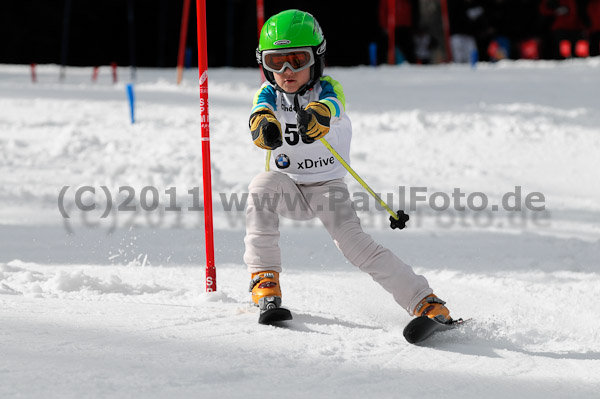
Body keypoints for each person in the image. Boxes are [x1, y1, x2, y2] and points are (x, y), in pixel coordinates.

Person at [246, 9, 452, 324]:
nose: (287, 70)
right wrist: (262, 126)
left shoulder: (327, 88)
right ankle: (265, 283)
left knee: (356, 247)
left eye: (298, 60)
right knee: (261, 186)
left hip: (328, 189)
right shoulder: (270, 93)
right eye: (276, 61)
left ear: (317, 58)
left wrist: (319, 115)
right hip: (290, 188)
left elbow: (334, 106)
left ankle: (426, 303)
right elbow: (259, 112)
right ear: (264, 64)